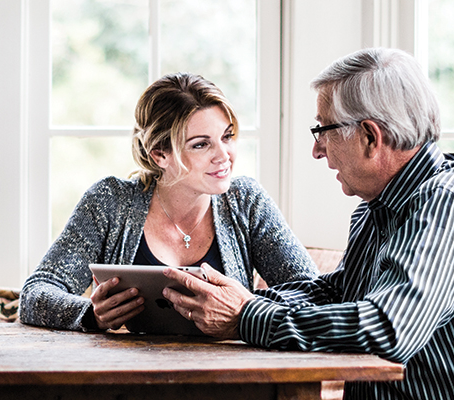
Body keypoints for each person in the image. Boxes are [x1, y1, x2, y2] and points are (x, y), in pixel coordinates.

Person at [162, 48, 454, 399]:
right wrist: (227, 301)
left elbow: (388, 327)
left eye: (323, 129)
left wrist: (246, 316)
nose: (317, 149)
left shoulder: (444, 206)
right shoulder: (379, 208)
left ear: (370, 137)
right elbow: (338, 293)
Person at [20, 72, 317, 332]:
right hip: (125, 379)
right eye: (201, 144)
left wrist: (243, 307)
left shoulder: (246, 202)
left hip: (229, 376)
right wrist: (90, 314)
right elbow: (35, 294)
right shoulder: (109, 202)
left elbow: (314, 294)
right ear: (159, 154)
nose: (224, 155)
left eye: (227, 137)